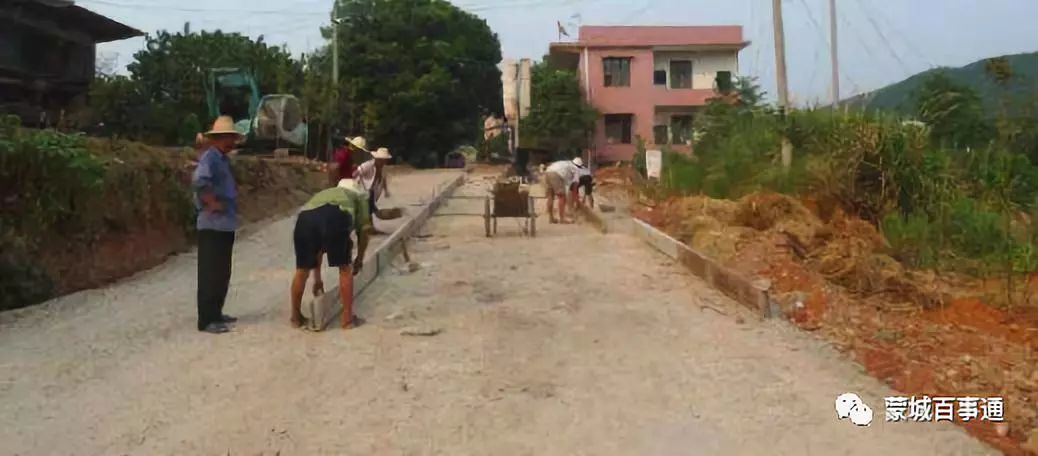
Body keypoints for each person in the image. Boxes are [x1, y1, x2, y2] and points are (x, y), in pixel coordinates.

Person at [290, 178, 371, 330]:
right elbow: (365, 230)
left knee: (302, 270)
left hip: (305, 218)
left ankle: (295, 318)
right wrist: (359, 259)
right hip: (337, 216)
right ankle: (347, 320)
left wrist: (318, 280)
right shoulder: (360, 197)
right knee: (344, 268)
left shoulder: (325, 193)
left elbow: (318, 248)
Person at [192, 116, 243, 334]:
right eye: (228, 138)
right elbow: (199, 181)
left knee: (222, 272)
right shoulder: (210, 158)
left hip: (224, 224)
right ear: (218, 139)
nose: (232, 142)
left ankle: (216, 312)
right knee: (210, 273)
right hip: (212, 224)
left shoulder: (222, 159)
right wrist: (211, 202)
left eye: (232, 138)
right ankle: (206, 319)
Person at [354, 147, 393, 234]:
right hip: (363, 190)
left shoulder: (383, 168)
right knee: (368, 209)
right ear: (377, 159)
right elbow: (356, 173)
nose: (383, 162)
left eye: (384, 160)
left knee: (369, 209)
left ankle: (369, 228)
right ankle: (367, 228)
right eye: (382, 160)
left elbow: (383, 179)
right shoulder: (368, 165)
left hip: (371, 192)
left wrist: (386, 190)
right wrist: (357, 184)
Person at [543, 157, 582, 224]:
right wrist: (577, 201)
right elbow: (575, 188)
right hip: (556, 174)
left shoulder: (567, 163)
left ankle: (551, 218)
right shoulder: (576, 169)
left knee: (550, 196)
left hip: (548, 171)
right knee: (562, 197)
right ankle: (562, 219)